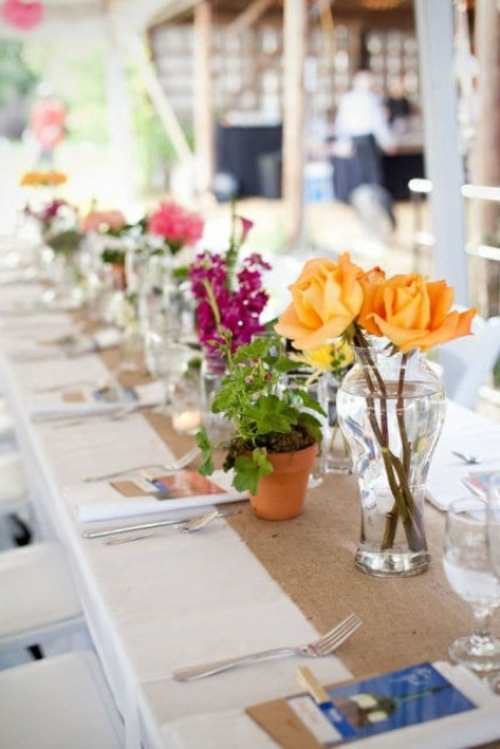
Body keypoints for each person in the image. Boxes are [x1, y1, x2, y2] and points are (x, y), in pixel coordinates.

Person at [330, 70, 397, 238]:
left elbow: (342, 124)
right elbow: (377, 123)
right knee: (369, 184)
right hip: (364, 142)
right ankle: (373, 223)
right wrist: (387, 142)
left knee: (366, 185)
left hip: (359, 142)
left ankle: (376, 223)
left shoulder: (353, 99)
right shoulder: (369, 100)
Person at [28, 84, 66, 167]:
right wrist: (32, 131)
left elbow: (58, 121)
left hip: (48, 136)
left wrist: (53, 130)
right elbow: (33, 120)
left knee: (47, 155)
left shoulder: (54, 106)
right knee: (41, 155)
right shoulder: (37, 106)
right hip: (39, 135)